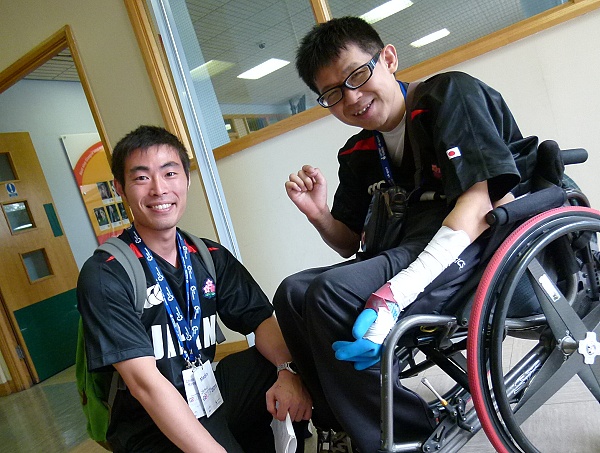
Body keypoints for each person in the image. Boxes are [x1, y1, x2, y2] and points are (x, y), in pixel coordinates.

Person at [273, 16, 538, 452]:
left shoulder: (448, 95)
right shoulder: (358, 150)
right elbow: (348, 242)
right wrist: (318, 213)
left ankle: (406, 437)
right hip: (410, 246)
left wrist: (395, 294)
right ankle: (345, 424)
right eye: (333, 93)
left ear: (389, 59)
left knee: (329, 293)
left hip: (478, 240)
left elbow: (480, 202)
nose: (351, 98)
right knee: (293, 292)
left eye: (357, 76)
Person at [77, 125, 312, 452]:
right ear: (121, 188)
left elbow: (261, 319)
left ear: (186, 180)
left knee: (289, 363)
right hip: (148, 422)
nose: (159, 189)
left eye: (170, 173)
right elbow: (145, 385)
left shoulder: (208, 255)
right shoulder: (106, 274)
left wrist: (288, 373)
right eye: (142, 177)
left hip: (207, 394)